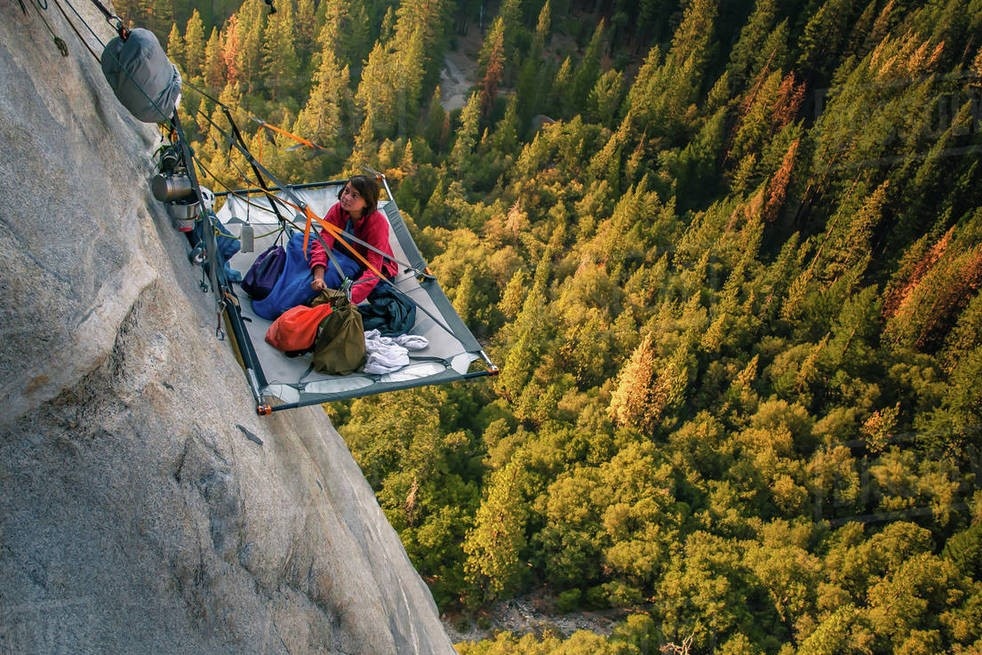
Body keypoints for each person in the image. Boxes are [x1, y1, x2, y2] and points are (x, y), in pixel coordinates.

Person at [309, 175, 397, 304]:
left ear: (367, 203)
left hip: (363, 265)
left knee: (333, 274)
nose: (347, 197)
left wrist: (348, 298)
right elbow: (324, 240)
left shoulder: (378, 223)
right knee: (299, 240)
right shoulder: (338, 210)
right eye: (347, 191)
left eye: (355, 196)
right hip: (342, 253)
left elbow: (373, 268)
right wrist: (318, 275)